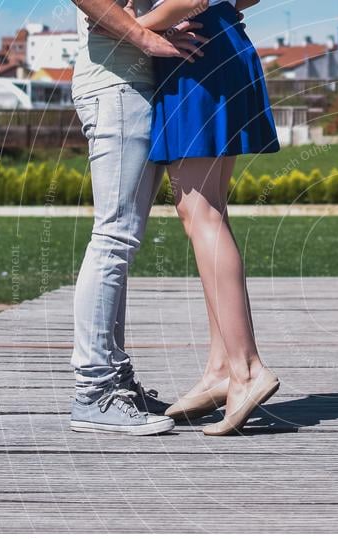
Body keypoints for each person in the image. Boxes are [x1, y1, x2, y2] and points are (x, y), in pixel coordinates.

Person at [137, 0, 282, 436]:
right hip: (215, 46)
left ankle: (246, 368)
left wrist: (134, 30)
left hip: (195, 55)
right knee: (204, 208)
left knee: (201, 212)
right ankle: (221, 367)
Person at [68, 0, 207, 435]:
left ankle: (116, 379)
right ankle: (94, 391)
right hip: (115, 87)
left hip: (128, 86)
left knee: (120, 238)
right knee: (114, 237)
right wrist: (147, 37)